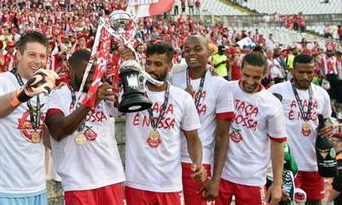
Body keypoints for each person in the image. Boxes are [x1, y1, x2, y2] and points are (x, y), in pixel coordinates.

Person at [0, 31, 59, 205]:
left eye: (42, 56)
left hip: (37, 186)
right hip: (4, 189)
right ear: (18, 55)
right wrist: (26, 91)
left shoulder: (46, 88)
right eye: (31, 55)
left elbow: (41, 135)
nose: (37, 61)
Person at [122, 42, 205, 205]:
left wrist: (197, 163)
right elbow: (112, 108)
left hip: (169, 184)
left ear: (170, 66)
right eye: (148, 63)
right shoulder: (131, 93)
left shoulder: (182, 98)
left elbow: (193, 139)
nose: (152, 69)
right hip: (137, 182)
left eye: (158, 64)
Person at [45, 49, 125, 205]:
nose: (92, 78)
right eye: (87, 73)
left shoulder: (102, 92)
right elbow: (58, 131)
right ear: (71, 69)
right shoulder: (57, 95)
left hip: (111, 177)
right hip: (78, 183)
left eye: (95, 73)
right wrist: (91, 102)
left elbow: (123, 108)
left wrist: (119, 95)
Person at [171, 35, 234, 204]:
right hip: (168, 161)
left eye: (198, 49)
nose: (192, 53)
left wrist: (216, 179)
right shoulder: (173, 78)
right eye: (187, 49)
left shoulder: (221, 85)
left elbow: (222, 136)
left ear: (209, 52)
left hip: (198, 164)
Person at [217, 52, 286, 205]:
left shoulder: (271, 104)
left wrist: (276, 184)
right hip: (220, 174)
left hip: (252, 178)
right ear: (240, 68)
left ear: (265, 74)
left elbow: (278, 145)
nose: (249, 81)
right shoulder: (224, 89)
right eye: (246, 75)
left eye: (256, 77)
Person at [269, 54, 332, 205]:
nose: (305, 76)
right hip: (287, 165)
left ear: (314, 72)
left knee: (315, 202)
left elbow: (326, 119)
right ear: (292, 70)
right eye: (300, 72)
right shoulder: (276, 91)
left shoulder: (322, 94)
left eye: (309, 72)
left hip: (314, 163)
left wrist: (328, 127)